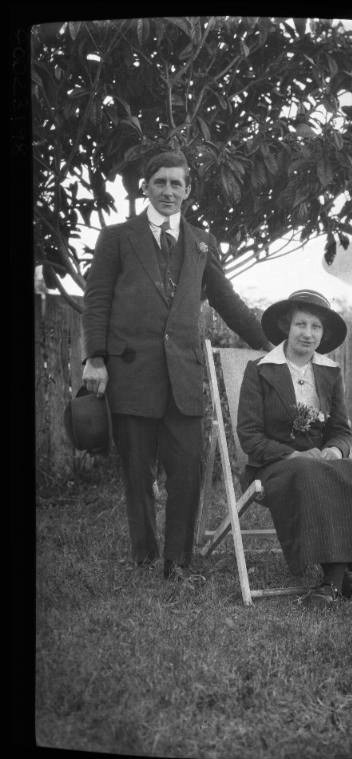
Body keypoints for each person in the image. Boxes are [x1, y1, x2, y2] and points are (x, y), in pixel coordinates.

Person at [81, 150, 271, 578]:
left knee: (187, 471)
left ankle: (178, 563)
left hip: (183, 379)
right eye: (160, 182)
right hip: (131, 375)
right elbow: (96, 301)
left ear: (188, 190)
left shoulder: (202, 242)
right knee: (137, 473)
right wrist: (95, 358)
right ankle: (144, 555)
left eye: (176, 184)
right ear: (144, 186)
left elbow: (227, 302)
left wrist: (268, 342)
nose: (168, 191)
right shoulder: (117, 238)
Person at [236, 289, 352, 607]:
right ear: (286, 328)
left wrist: (334, 451)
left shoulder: (330, 372)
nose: (307, 333)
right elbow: (249, 436)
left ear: (323, 333)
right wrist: (294, 454)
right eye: (301, 325)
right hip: (274, 464)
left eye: (315, 327)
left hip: (318, 462)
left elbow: (341, 432)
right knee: (309, 470)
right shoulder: (261, 370)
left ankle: (333, 584)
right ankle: (339, 583)